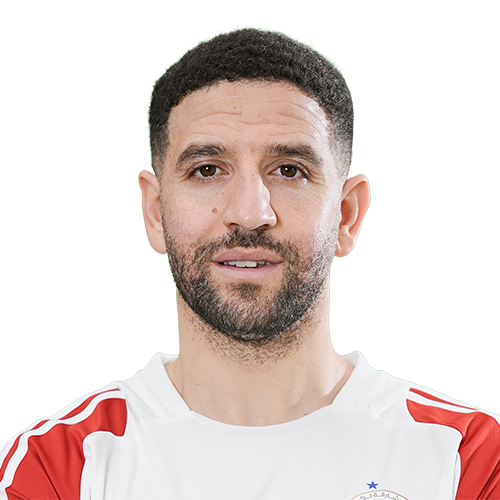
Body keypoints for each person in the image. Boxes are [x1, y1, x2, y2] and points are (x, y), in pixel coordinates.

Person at [1, 24, 498, 500]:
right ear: (154, 212)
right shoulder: (56, 467)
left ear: (347, 215)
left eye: (289, 170)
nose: (249, 213)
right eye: (207, 169)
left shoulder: (471, 457)